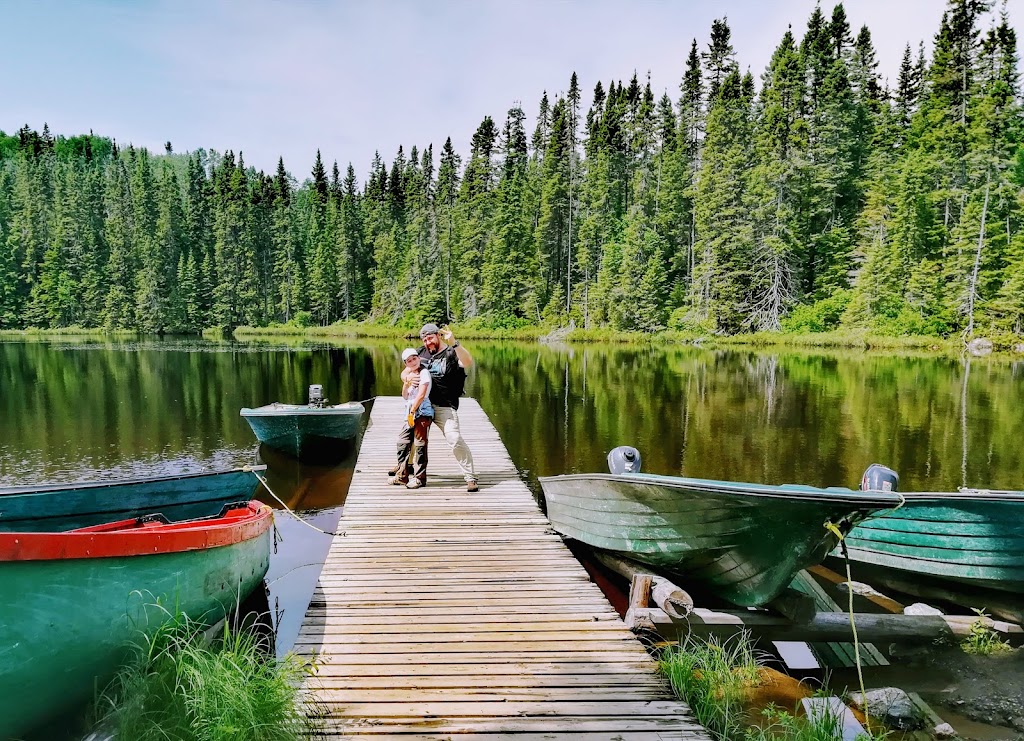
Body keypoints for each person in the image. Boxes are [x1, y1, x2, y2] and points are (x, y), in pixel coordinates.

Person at [415, 323, 478, 492]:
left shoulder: (451, 352)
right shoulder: (420, 353)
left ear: (438, 336)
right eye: (424, 339)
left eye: (430, 338)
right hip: (423, 405)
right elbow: (407, 371)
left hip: (445, 407)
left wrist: (455, 343)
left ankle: (470, 477)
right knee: (410, 437)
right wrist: (407, 380)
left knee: (455, 439)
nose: (428, 342)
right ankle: (403, 468)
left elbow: (467, 361)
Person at [390, 348, 433, 489]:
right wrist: (406, 383)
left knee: (420, 444)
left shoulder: (424, 373)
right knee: (402, 442)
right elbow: (405, 395)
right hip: (410, 411)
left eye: (414, 358)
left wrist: (413, 410)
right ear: (406, 364)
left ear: (418, 358)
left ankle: (420, 478)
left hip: (421, 411)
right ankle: (402, 475)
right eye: (409, 360)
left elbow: (421, 394)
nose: (413, 362)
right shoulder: (410, 375)